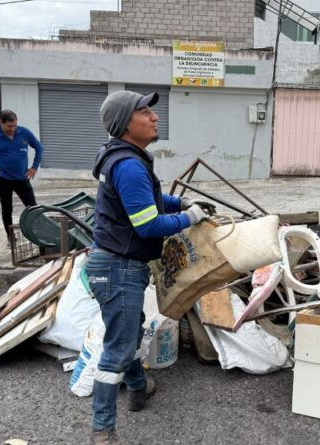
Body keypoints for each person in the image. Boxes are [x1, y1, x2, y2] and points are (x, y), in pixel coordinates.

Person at [85, 90, 214, 445]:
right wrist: (187, 217)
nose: (154, 117)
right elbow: (148, 225)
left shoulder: (123, 158)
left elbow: (145, 200)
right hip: (119, 268)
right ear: (126, 123)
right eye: (144, 112)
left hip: (115, 264)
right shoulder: (128, 165)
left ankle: (139, 388)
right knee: (118, 348)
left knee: (128, 331)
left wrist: (180, 200)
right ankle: (102, 430)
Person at [0, 110, 44, 239]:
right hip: (4, 179)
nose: (13, 129)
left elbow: (39, 147)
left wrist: (34, 167)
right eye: (9, 126)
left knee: (33, 208)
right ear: (1, 123)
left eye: (14, 125)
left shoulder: (24, 132)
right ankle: (11, 237)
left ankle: (40, 233)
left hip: (22, 178)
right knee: (7, 209)